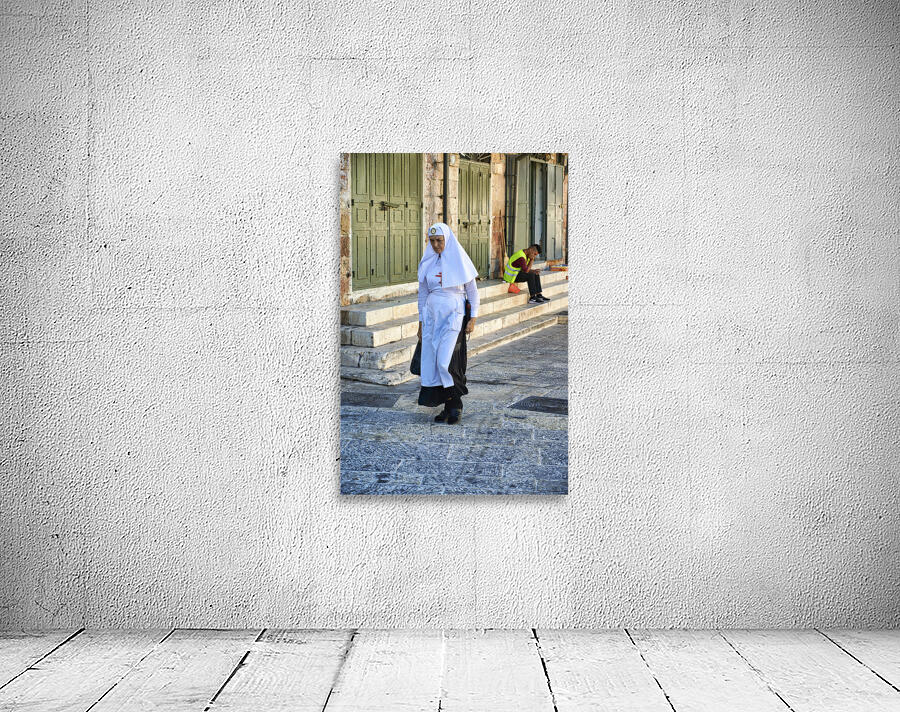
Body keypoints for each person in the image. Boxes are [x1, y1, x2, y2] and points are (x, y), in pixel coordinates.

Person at [416, 222, 480, 425]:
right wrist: (420, 322)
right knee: (434, 363)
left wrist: (473, 318)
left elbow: (472, 292)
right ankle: (448, 406)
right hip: (432, 316)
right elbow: (422, 294)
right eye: (432, 241)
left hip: (453, 315)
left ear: (447, 240)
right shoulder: (428, 262)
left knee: (447, 361)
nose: (436, 245)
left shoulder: (460, 260)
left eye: (439, 240)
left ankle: (456, 404)